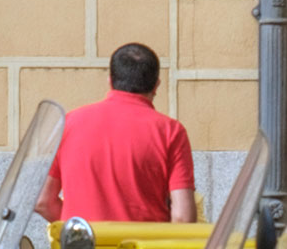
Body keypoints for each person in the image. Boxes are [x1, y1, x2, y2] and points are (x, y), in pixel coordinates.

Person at [36, 43, 196, 224]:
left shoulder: (69, 123)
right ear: (156, 85)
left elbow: (43, 201)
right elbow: (183, 217)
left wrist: (81, 233)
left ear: (110, 81)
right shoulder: (170, 131)